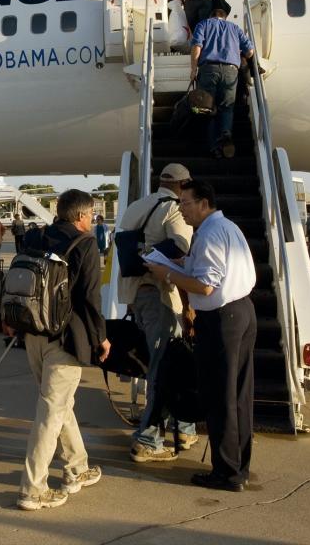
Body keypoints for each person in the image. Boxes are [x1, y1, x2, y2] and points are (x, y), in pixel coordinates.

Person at [147, 180, 256, 493]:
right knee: (239, 395)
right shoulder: (228, 228)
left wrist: (166, 273)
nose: (181, 208)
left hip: (221, 320)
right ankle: (239, 466)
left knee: (219, 396)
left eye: (186, 202)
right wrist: (184, 264)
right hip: (243, 310)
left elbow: (206, 286)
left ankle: (226, 473)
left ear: (205, 203)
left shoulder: (207, 234)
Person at [6, 189, 111, 511]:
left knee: (59, 404)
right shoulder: (85, 244)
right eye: (91, 213)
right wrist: (101, 338)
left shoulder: (37, 236)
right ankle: (33, 489)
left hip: (34, 333)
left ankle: (77, 467)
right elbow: (90, 298)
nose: (93, 219)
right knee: (50, 414)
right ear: (81, 216)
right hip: (66, 339)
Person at [117, 163, 197, 463]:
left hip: (136, 294)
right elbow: (181, 247)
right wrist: (189, 304)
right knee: (165, 366)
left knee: (167, 362)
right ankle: (148, 439)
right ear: (182, 185)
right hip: (159, 294)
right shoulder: (174, 210)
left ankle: (184, 427)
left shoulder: (138, 205)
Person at [190, 9, 254, 159]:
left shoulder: (203, 24)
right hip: (231, 70)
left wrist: (193, 68)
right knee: (227, 107)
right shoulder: (235, 28)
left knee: (208, 108)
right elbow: (250, 51)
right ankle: (226, 133)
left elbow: (196, 47)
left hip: (208, 69)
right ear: (224, 17)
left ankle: (214, 147)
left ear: (211, 16)